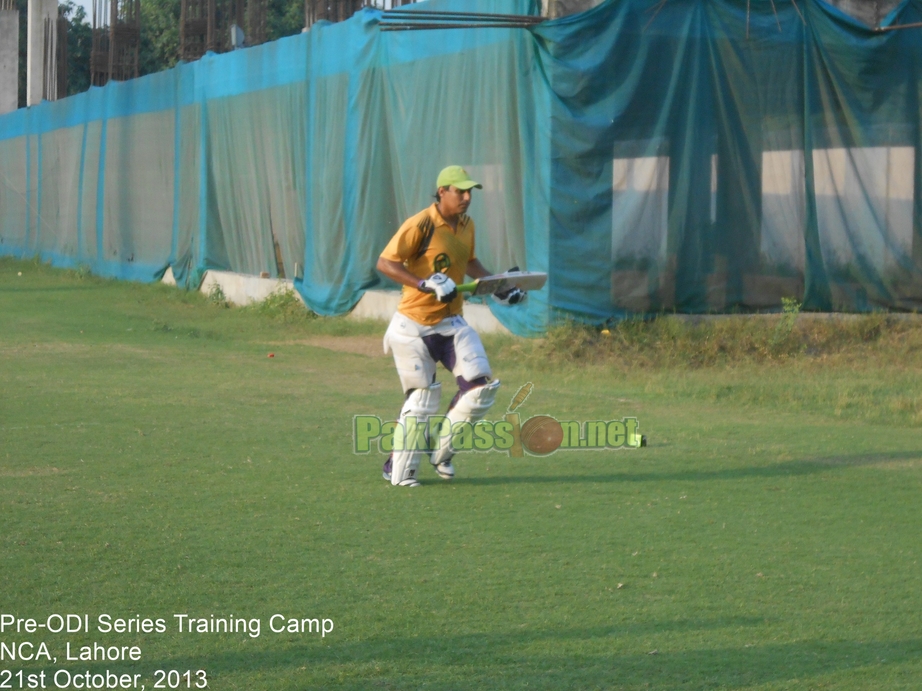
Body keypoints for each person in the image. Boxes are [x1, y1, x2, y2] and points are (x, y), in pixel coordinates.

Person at [376, 165, 525, 487]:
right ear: (442, 190)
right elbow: (386, 263)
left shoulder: (467, 225)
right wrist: (423, 283)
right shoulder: (421, 224)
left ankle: (441, 452)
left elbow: (468, 261)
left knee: (480, 390)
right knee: (421, 403)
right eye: (460, 191)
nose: (467, 198)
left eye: (470, 191)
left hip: (451, 323)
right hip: (412, 326)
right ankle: (396, 468)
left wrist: (497, 284)